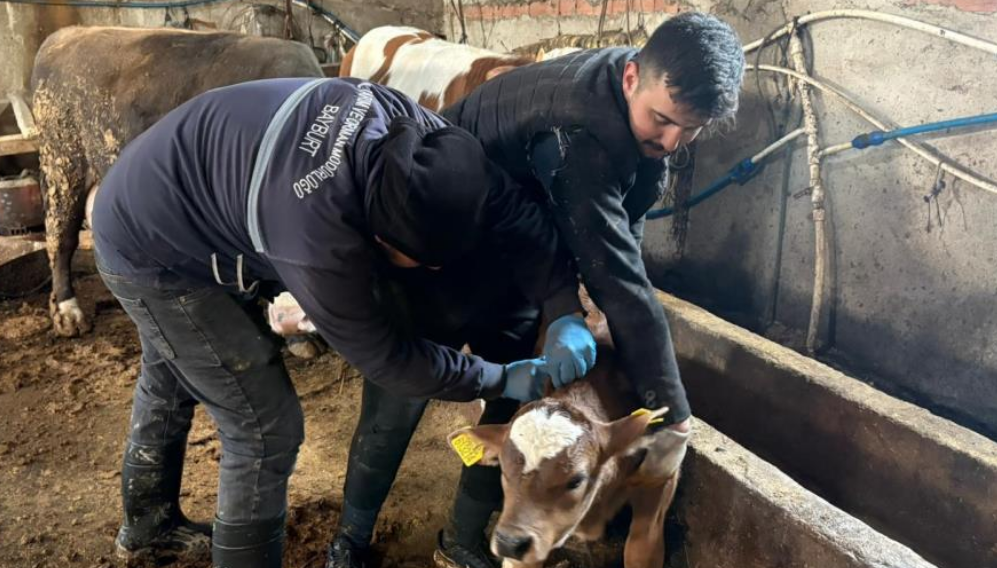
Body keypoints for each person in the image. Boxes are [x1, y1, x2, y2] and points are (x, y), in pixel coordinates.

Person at [90, 76, 596, 568]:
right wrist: (497, 377)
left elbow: (508, 207)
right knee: (264, 425)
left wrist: (563, 308)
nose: (434, 272)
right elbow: (386, 358)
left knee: (173, 370)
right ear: (376, 239)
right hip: (150, 249)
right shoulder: (319, 242)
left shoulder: (420, 137)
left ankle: (147, 528)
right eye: (422, 260)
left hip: (170, 184)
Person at [323, 11, 746, 568]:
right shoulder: (583, 137)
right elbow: (620, 282)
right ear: (631, 79)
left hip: (520, 266)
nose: (672, 141)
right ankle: (350, 539)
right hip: (431, 258)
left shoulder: (635, 117)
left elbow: (623, 238)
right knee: (397, 401)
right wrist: (674, 415)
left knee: (517, 412)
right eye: (663, 120)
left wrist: (564, 307)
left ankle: (464, 542)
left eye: (689, 130)